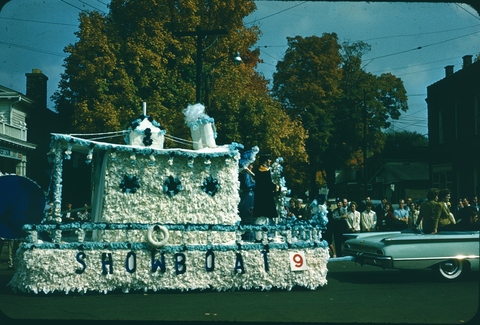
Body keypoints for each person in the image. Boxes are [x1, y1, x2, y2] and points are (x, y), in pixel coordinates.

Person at [252, 154, 278, 242]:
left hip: (262, 197)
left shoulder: (261, 170)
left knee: (264, 218)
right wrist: (275, 187)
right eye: (269, 159)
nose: (270, 161)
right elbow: (267, 184)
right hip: (263, 198)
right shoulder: (264, 171)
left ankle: (262, 236)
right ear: (265, 161)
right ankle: (258, 237)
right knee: (261, 218)